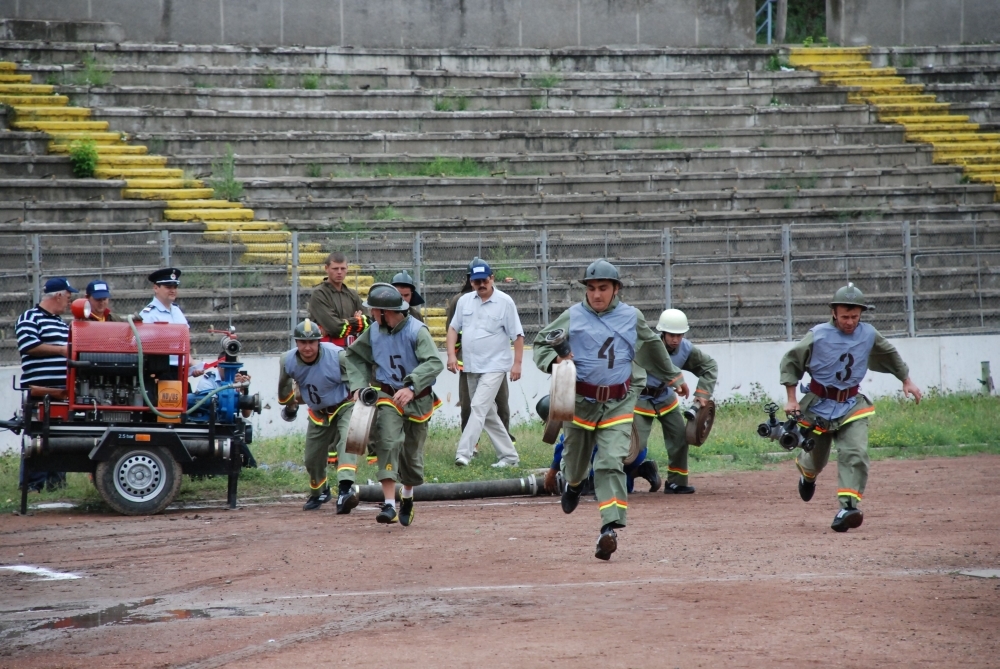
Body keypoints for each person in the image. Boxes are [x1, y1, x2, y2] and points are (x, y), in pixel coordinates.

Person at [533, 259, 684, 560]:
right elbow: (541, 343)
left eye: (603, 288)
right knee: (575, 464)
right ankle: (573, 484)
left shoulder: (632, 317)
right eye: (591, 289)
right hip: (579, 403)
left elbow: (653, 346)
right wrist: (556, 361)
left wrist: (672, 375)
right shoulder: (572, 316)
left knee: (610, 462)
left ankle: (609, 529)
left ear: (616, 289)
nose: (596, 294)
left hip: (619, 401)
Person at [781, 283, 922, 533]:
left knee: (855, 452)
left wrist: (906, 380)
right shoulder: (818, 334)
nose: (850, 322)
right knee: (816, 459)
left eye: (855, 316)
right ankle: (808, 474)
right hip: (818, 404)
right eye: (845, 316)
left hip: (851, 405)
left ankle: (848, 507)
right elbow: (792, 361)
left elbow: (889, 353)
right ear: (834, 313)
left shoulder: (868, 334)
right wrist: (792, 399)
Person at [344, 283, 444, 526]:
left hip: (417, 399)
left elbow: (433, 362)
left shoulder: (417, 331)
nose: (370, 315)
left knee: (411, 455)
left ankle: (406, 496)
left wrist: (411, 387)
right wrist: (358, 386)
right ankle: (389, 505)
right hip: (387, 397)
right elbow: (354, 356)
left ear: (385, 311)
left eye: (373, 311)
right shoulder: (374, 331)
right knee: (387, 441)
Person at [447, 260, 524, 468]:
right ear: (471, 282)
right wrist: (451, 356)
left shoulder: (505, 302)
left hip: (495, 366)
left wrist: (517, 364)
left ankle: (464, 453)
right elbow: (453, 329)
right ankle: (509, 457)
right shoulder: (464, 302)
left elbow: (517, 335)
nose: (481, 284)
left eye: (484, 280)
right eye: (476, 281)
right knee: (487, 413)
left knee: (478, 407)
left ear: (492, 279)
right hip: (471, 366)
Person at [277, 318, 359, 513]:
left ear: (319, 341)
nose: (307, 347)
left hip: (343, 405)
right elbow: (284, 387)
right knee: (312, 458)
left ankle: (345, 490)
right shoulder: (287, 360)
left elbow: (357, 375)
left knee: (347, 441)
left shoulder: (337, 355)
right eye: (302, 342)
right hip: (318, 411)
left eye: (311, 342)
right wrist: (289, 406)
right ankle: (320, 492)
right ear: (296, 343)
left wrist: (359, 392)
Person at [633, 308, 718, 494]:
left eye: (680, 335)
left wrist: (702, 394)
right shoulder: (648, 346)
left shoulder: (685, 348)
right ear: (662, 333)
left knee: (680, 437)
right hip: (640, 398)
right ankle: (617, 477)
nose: (676, 340)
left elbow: (709, 365)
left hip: (665, 397)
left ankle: (676, 482)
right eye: (672, 335)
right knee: (635, 446)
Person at [15, 276, 76, 492]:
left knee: (60, 436)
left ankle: (56, 485)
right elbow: (29, 345)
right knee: (38, 435)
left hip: (61, 392)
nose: (69, 302)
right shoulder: (29, 318)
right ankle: (32, 485)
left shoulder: (61, 323)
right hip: (39, 390)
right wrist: (61, 350)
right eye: (68, 297)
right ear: (58, 295)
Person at [537, 395, 661, 496]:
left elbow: (566, 447)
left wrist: (551, 473)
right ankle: (642, 469)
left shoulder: (579, 421)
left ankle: (598, 481)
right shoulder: (598, 406)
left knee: (592, 482)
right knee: (618, 478)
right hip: (635, 452)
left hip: (619, 456)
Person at [308, 251, 369, 347]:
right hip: (327, 351)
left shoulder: (352, 294)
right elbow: (335, 328)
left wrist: (347, 323)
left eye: (343, 268)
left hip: (351, 351)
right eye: (335, 268)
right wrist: (357, 321)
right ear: (326, 268)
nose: (339, 272)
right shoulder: (319, 294)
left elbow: (369, 321)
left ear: (347, 269)